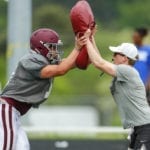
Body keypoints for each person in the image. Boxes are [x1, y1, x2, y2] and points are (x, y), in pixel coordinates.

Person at [0, 28, 85, 150]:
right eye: (52, 47)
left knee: (22, 147)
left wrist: (87, 46)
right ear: (40, 48)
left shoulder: (43, 60)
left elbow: (72, 63)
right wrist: (77, 48)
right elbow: (61, 70)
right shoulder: (30, 59)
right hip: (5, 110)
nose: (55, 51)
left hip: (14, 113)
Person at [77, 29, 150, 150]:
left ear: (125, 58)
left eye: (116, 54)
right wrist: (90, 38)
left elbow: (98, 63)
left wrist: (87, 39)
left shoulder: (127, 71)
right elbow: (99, 60)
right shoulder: (124, 71)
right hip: (138, 127)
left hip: (145, 127)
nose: (113, 56)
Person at [133, 27, 150, 104]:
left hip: (145, 84)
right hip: (133, 84)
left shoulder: (147, 50)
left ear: (141, 37)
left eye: (136, 37)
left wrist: (148, 83)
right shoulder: (132, 50)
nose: (134, 39)